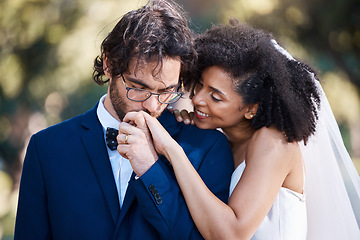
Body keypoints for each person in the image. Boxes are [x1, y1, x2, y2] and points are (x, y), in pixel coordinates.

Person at [14, 1, 234, 239]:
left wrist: (152, 171)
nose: (152, 105)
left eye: (166, 92)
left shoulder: (208, 148)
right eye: (138, 87)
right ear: (109, 64)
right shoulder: (46, 149)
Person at [127, 20, 360, 239]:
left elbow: (232, 233)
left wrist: (171, 149)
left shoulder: (274, 142)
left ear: (251, 109)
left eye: (215, 97)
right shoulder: (221, 143)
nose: (197, 99)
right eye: (199, 85)